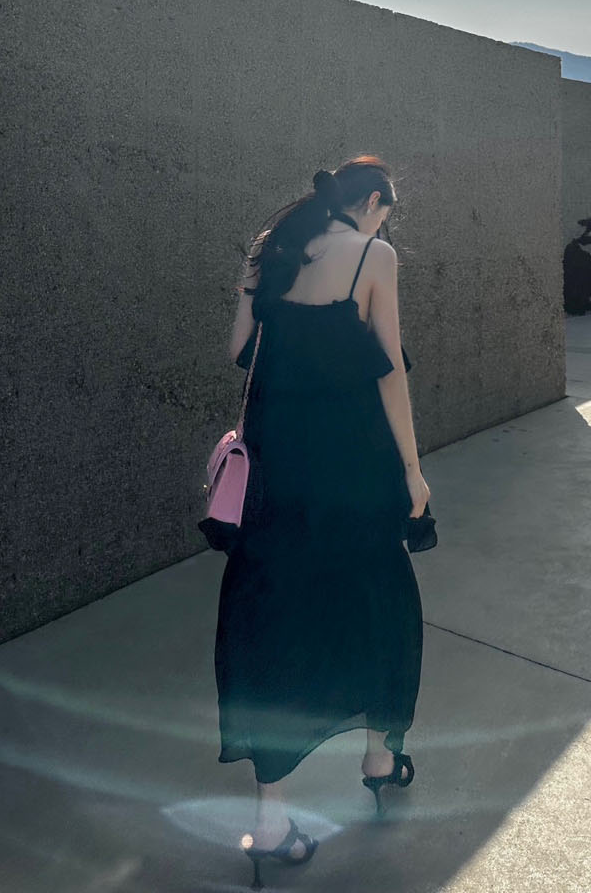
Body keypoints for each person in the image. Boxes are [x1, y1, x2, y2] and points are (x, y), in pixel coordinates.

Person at [210, 155, 431, 886]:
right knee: (378, 599)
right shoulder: (373, 256)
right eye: (384, 214)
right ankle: (379, 756)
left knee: (272, 617)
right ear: (371, 204)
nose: (383, 227)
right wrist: (411, 470)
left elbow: (240, 351)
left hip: (279, 470)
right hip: (354, 465)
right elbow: (390, 373)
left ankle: (270, 819)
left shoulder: (268, 249)